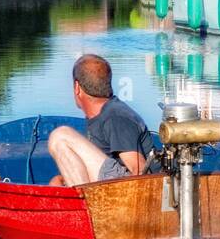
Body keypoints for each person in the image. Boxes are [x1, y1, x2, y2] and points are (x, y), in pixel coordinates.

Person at [47, 54, 153, 186]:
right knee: (57, 182)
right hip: (112, 184)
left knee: (60, 136)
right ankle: (78, 198)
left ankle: (83, 202)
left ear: (77, 87)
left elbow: (140, 173)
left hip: (129, 193)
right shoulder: (101, 115)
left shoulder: (116, 118)